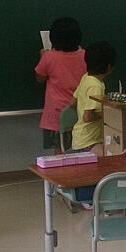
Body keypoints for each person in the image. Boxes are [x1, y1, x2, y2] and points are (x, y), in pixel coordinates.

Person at [34, 17, 87, 152]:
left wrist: (42, 57)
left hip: (56, 114)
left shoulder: (49, 57)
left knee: (59, 150)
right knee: (82, 148)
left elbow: (40, 78)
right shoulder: (85, 55)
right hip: (80, 110)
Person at [70, 41, 116, 155]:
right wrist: (105, 114)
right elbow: (87, 117)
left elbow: (73, 102)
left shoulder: (86, 77)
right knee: (111, 154)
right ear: (109, 67)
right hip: (89, 143)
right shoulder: (96, 86)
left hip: (79, 139)